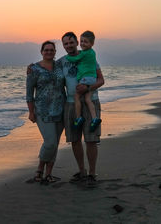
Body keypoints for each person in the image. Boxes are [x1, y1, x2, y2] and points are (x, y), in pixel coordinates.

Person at [58, 31, 104, 187]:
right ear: (63, 46)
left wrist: (88, 87)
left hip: (91, 101)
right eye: (66, 43)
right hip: (71, 104)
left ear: (77, 42)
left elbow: (101, 80)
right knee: (75, 140)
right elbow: (46, 67)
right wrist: (33, 68)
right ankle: (82, 171)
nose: (69, 46)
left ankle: (92, 173)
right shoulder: (61, 62)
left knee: (91, 140)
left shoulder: (90, 56)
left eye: (71, 42)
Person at [26, 41, 66, 184]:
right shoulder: (34, 69)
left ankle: (48, 174)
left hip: (61, 110)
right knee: (50, 143)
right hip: (42, 111)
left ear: (55, 52)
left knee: (55, 144)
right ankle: (39, 169)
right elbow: (29, 93)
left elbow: (77, 55)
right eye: (46, 50)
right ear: (41, 51)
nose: (49, 52)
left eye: (51, 50)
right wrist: (31, 112)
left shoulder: (61, 66)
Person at [65, 31, 102, 132]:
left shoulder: (85, 54)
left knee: (77, 96)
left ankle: (79, 118)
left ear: (92, 44)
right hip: (92, 78)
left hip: (86, 78)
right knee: (87, 99)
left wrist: (67, 57)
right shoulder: (92, 53)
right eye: (82, 41)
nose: (82, 44)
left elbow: (75, 59)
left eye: (85, 42)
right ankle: (95, 118)